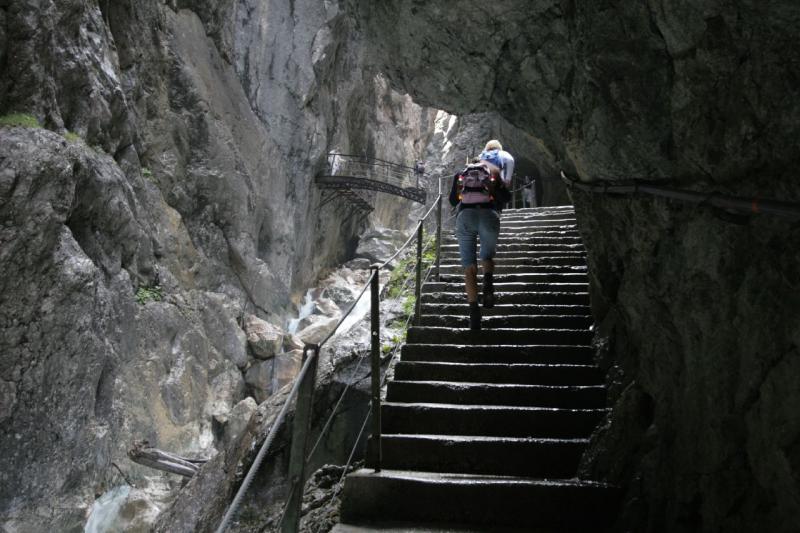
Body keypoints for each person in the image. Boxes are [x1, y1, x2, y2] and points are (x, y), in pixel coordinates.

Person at [449, 140, 513, 330]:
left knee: (469, 267)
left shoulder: (461, 174)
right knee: (487, 256)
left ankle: (474, 315)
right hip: (489, 215)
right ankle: (488, 284)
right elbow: (506, 198)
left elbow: (453, 201)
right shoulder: (494, 172)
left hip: (465, 217)